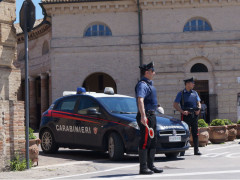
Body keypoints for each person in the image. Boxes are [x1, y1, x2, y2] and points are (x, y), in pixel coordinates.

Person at [135, 62, 163, 175]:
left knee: (153, 141)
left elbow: (149, 100)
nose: (154, 73)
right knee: (145, 140)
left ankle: (151, 165)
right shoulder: (142, 84)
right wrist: (143, 116)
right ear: (147, 72)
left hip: (152, 114)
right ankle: (143, 168)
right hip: (146, 115)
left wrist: (157, 106)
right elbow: (140, 100)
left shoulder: (149, 84)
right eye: (152, 71)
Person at [173, 77, 202, 155]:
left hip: (194, 115)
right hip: (185, 116)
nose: (194, 84)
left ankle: (196, 150)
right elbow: (175, 105)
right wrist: (182, 111)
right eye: (192, 83)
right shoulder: (181, 93)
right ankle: (182, 151)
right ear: (187, 84)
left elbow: (199, 102)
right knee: (185, 133)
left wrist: (198, 109)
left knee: (195, 133)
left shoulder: (195, 93)